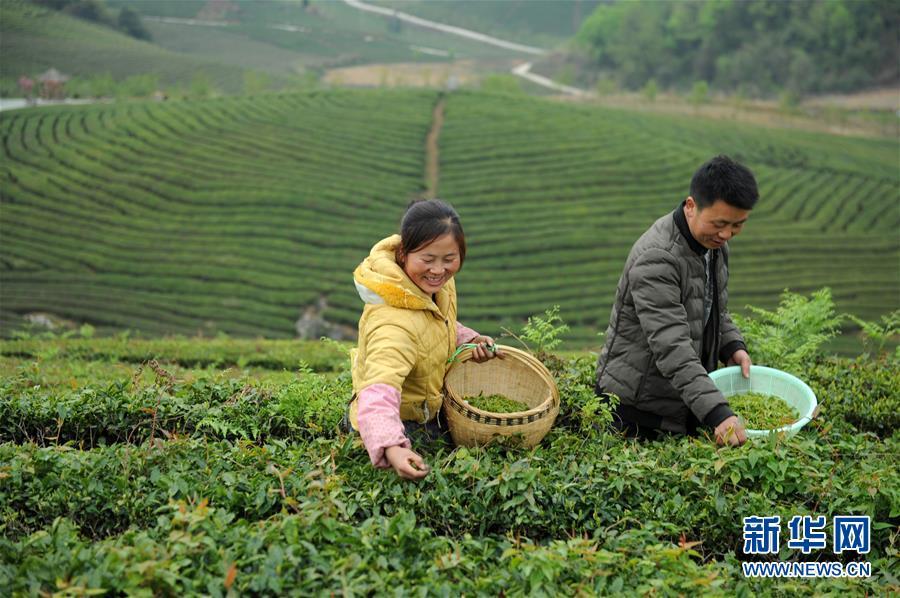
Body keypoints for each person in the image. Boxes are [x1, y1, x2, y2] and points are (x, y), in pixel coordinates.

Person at [595, 155, 758, 447]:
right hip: (637, 412)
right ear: (691, 206)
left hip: (678, 402)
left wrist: (731, 345)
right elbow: (672, 346)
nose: (726, 234)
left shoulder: (713, 245)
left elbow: (711, 307)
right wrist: (717, 412)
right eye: (720, 223)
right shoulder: (657, 257)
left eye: (738, 225)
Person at [346, 199, 501, 479]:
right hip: (398, 423)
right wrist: (392, 447)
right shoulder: (393, 321)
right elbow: (378, 390)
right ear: (404, 254)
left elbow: (436, 324)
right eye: (427, 260)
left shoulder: (432, 287)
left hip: (426, 407)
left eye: (449, 259)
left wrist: (469, 340)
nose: (438, 270)